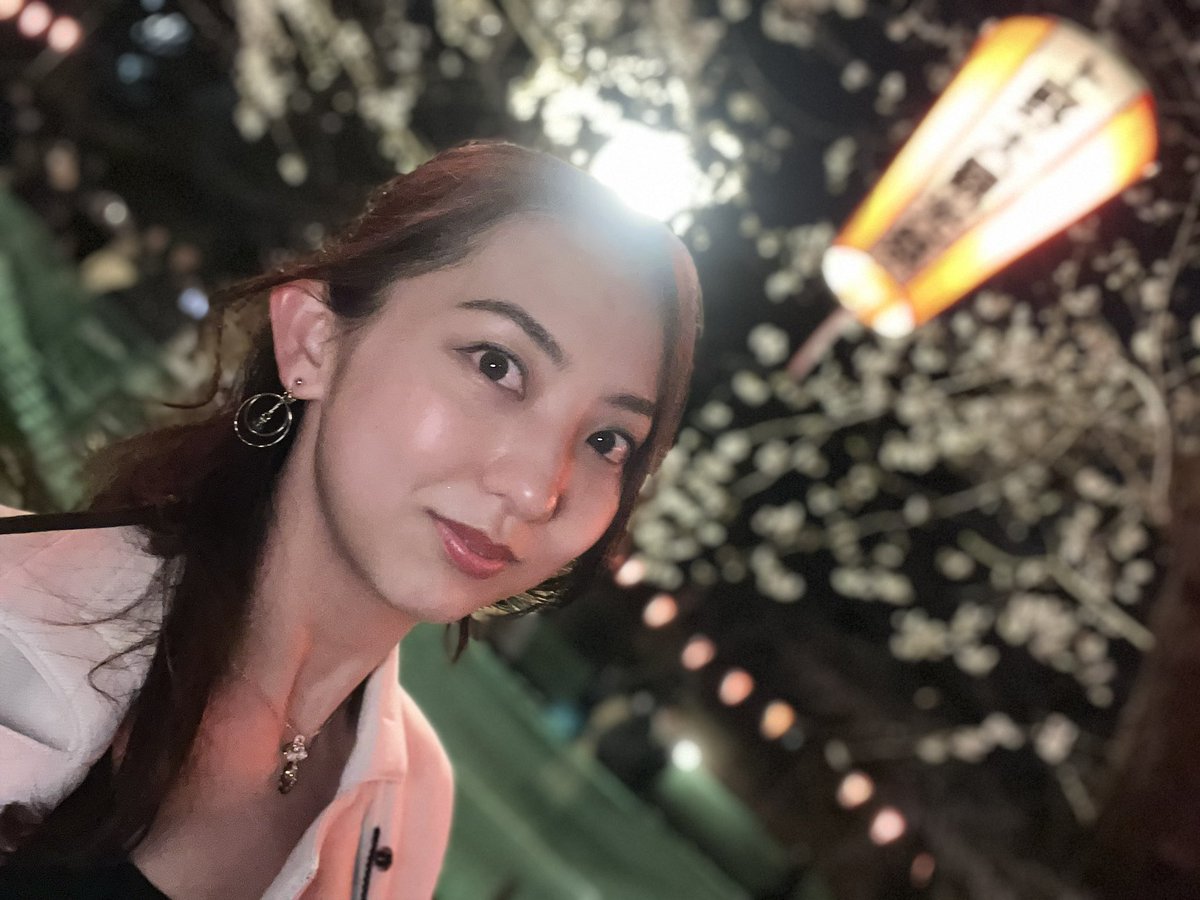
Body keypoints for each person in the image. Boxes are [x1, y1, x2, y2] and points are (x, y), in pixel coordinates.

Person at [0, 140, 702, 898]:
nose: (538, 490)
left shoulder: (412, 804)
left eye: (608, 441)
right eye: (496, 365)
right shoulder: (19, 616)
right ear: (314, 341)